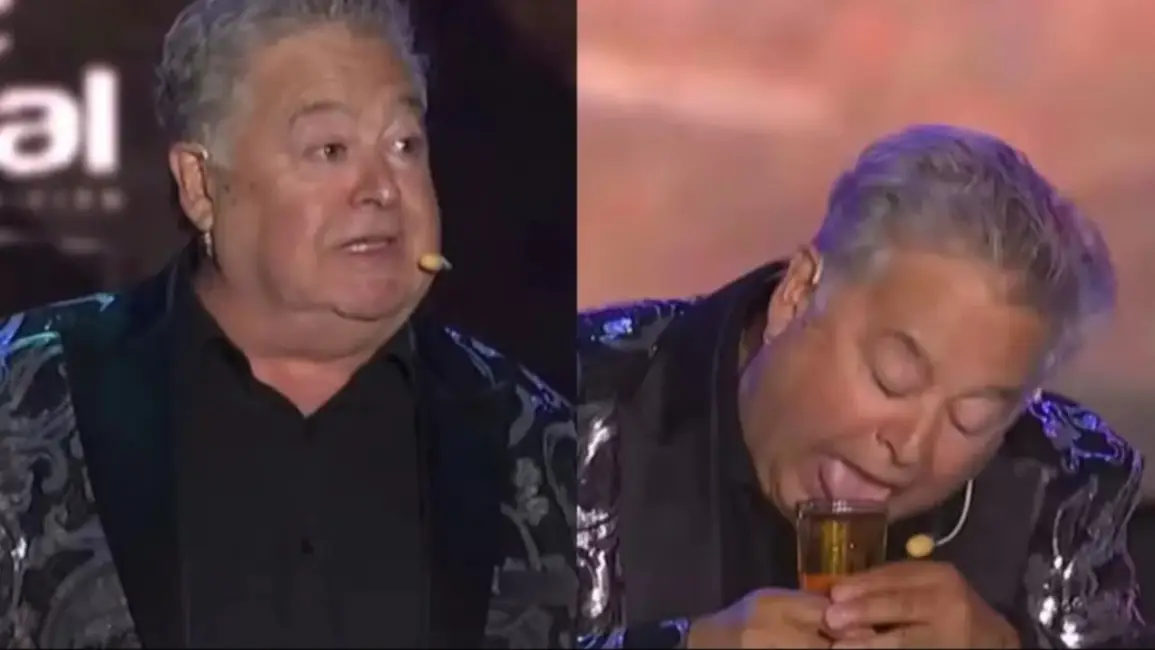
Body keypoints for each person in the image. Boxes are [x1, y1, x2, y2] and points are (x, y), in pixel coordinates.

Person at [0, 0, 575, 647]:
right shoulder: (24, 402)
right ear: (200, 185)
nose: (382, 188)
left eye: (404, 145)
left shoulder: (542, 444)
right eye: (330, 149)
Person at [576, 125, 1145, 649]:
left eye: (970, 419)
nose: (910, 448)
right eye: (892, 379)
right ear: (799, 294)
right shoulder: (566, 405)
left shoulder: (1064, 485)